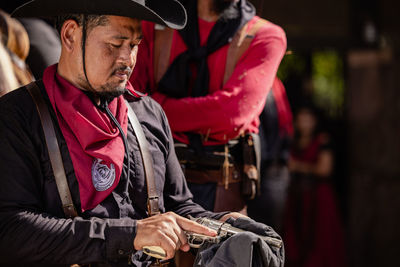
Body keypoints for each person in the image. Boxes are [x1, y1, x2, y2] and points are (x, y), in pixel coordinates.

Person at [0, 0, 260, 266]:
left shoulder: (149, 113)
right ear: (70, 35)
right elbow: (9, 231)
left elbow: (180, 207)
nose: (128, 59)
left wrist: (227, 225)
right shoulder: (17, 117)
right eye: (115, 45)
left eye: (134, 45)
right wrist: (129, 235)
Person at [130, 0, 287, 214]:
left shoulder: (266, 36)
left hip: (221, 190)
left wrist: (152, 106)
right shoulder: (154, 25)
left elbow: (231, 115)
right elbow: (128, 101)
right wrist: (146, 107)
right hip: (151, 180)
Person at [283, 105, 347, 267]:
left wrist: (296, 166)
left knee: (321, 240)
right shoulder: (293, 141)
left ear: (315, 121)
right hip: (297, 197)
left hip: (319, 198)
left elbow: (324, 170)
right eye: (301, 119)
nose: (304, 123)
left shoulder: (322, 141)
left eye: (308, 119)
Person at [247, 77, 293, 233]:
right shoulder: (273, 85)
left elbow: (271, 132)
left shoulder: (269, 85)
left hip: (268, 172)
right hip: (271, 170)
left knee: (265, 229)